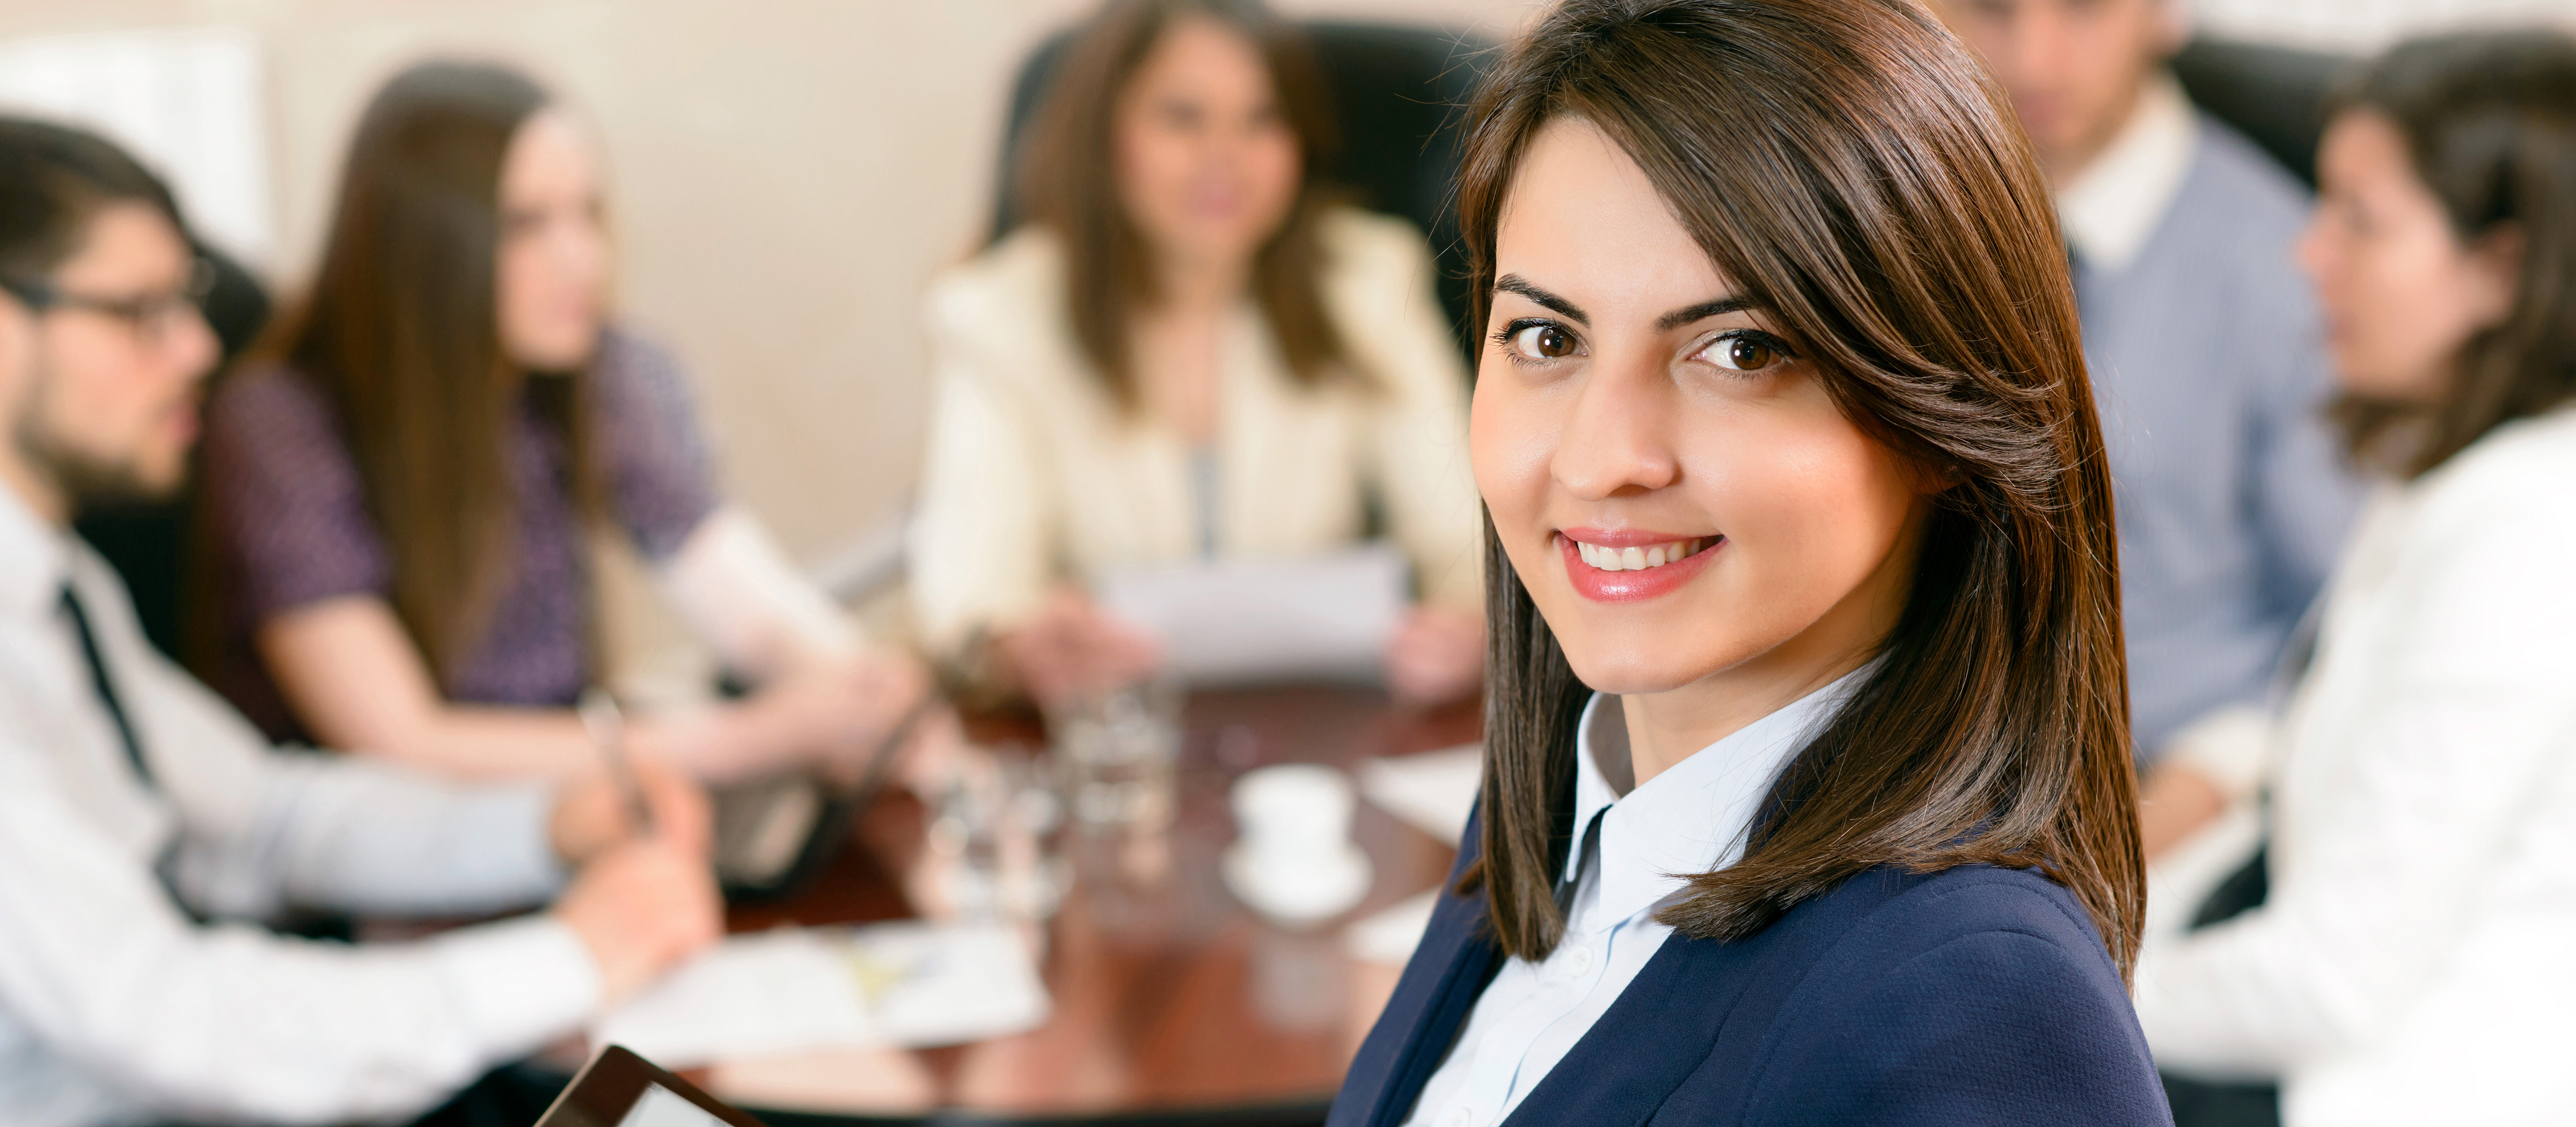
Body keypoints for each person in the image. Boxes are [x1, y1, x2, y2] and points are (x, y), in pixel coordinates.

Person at [1333, 1, 2167, 1124]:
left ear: (1942, 417)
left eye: (1740, 350)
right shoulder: (1559, 818)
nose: (1602, 458)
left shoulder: (1975, 1010)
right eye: (1547, 338)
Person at [0, 115, 718, 1127]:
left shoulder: (56, 583)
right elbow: (157, 1012)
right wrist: (569, 956)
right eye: (142, 313)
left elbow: (262, 823)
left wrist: (546, 825)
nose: (200, 347)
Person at [195, 60, 927, 784]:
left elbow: (745, 599)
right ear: (423, 246)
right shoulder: (280, 424)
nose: (584, 259)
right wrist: (751, 738)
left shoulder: (607, 375)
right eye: (526, 225)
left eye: (589, 214)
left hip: (575, 810)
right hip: (391, 857)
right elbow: (401, 741)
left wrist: (852, 690)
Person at [2135, 32, 2576, 1127]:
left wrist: (2070, 985)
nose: (2308, 253)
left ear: (2501, 270)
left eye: (2359, 222)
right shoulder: (2446, 469)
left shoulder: (2523, 533)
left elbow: (2329, 977)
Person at [908, 0, 1485, 706]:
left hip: (1320, 728)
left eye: (1262, 120)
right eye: (1183, 117)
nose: (1226, 157)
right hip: (1112, 733)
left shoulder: (1366, 280)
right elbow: (970, 602)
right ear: (1104, 136)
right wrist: (1019, 653)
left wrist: (1466, 630)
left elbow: (1465, 542)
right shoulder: (1000, 315)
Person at [1933, 0, 2362, 855]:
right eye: (1991, 11)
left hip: (2149, 805)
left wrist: (2192, 792)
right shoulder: (1876, 213)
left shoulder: (2295, 276)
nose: (2036, 62)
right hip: (1912, 765)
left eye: (2084, 13)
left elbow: (2344, 621)